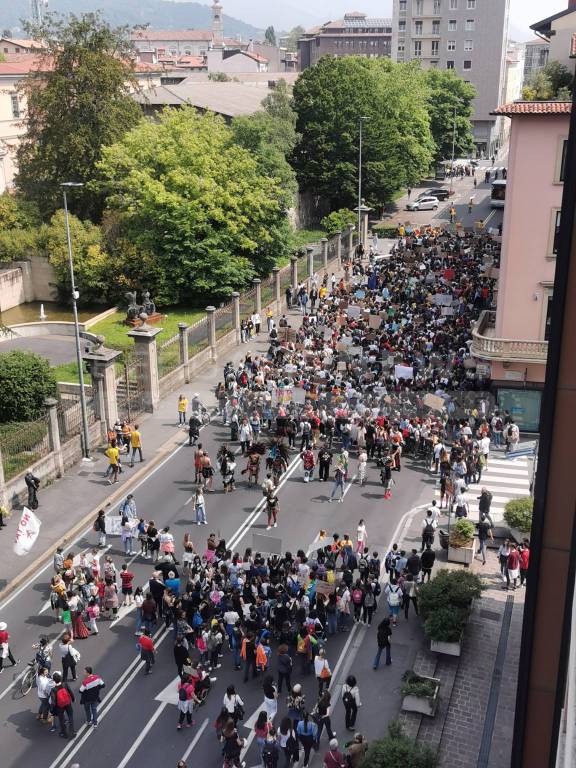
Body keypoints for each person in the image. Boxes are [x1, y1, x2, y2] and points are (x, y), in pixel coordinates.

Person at [50, 672, 75, 738]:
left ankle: (64, 733)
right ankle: (72, 732)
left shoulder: (53, 689)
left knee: (62, 719)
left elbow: (53, 701)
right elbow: (70, 692)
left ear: (54, 680)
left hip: (60, 706)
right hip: (68, 703)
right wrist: (73, 699)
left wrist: (52, 709)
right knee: (70, 717)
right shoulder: (65, 684)